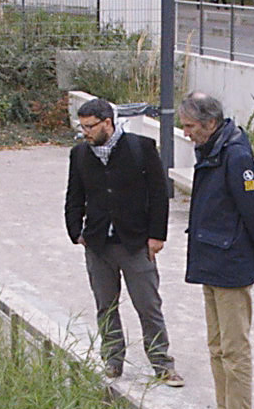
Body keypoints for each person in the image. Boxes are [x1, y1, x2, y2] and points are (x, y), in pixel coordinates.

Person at [65, 97, 182, 386]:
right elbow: (74, 197)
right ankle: (113, 360)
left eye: (90, 126)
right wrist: (75, 232)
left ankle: (162, 363)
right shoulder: (79, 154)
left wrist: (157, 236)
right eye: (82, 127)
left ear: (108, 123)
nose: (86, 133)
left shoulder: (141, 148)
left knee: (148, 305)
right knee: (106, 305)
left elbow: (158, 195)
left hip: (135, 242)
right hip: (97, 244)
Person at [181, 92, 254, 409]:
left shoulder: (235, 155)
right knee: (216, 343)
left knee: (234, 346)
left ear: (210, 123)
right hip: (211, 257)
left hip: (230, 260)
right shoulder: (212, 149)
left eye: (190, 126)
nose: (186, 133)